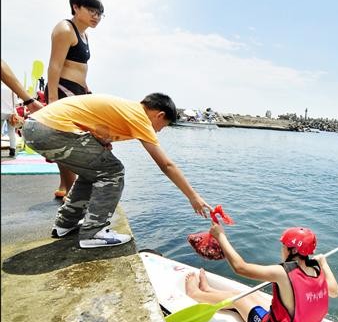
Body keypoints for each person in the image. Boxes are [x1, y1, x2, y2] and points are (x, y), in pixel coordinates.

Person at [22, 92, 212, 248]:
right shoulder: (140, 117)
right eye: (164, 126)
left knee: (94, 171)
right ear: (159, 115)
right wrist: (193, 197)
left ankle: (65, 224)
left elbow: (91, 122)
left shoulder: (127, 108)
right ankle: (93, 232)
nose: (160, 130)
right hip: (50, 130)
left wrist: (99, 141)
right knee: (113, 171)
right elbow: (166, 165)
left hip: (34, 127)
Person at [185, 223, 338, 322]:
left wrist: (220, 236)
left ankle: (196, 293)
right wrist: (324, 263)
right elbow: (334, 292)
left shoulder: (282, 272)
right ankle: (208, 289)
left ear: (292, 250)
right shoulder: (317, 269)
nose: (282, 250)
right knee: (254, 294)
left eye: (284, 246)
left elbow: (240, 267)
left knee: (238, 298)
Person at [46, 0, 104, 200]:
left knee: (70, 139)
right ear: (75, 7)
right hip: (62, 90)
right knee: (67, 140)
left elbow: (79, 65)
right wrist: (53, 101)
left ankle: (65, 185)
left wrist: (86, 88)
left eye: (99, 13)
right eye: (91, 10)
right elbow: (54, 66)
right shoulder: (64, 29)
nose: (96, 16)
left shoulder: (84, 35)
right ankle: (70, 192)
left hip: (78, 91)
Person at [1, 59, 45, 156]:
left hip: (1, 112)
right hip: (11, 112)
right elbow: (16, 102)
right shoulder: (10, 89)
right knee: (11, 132)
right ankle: (12, 150)